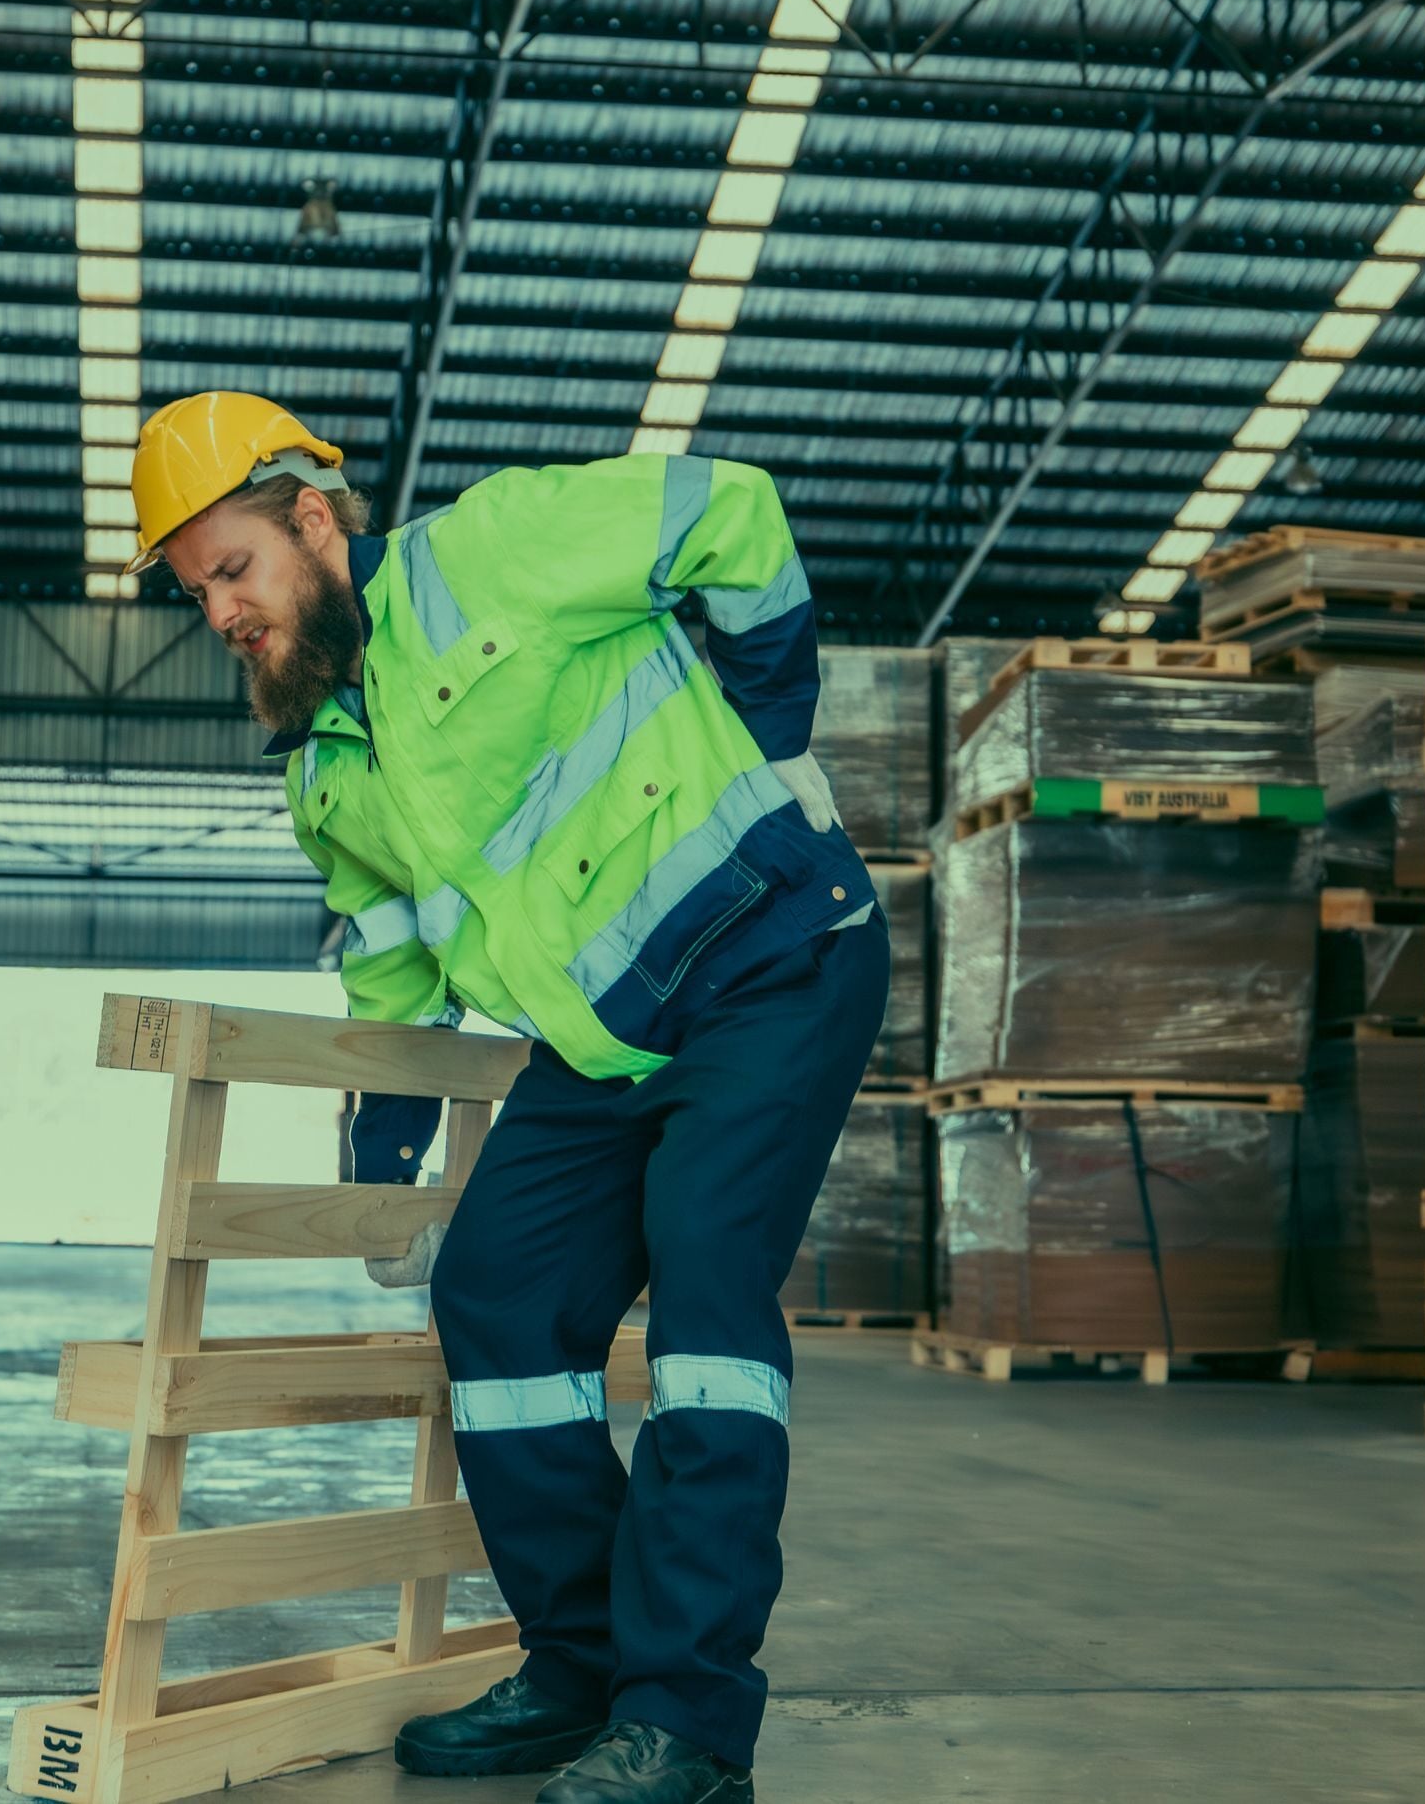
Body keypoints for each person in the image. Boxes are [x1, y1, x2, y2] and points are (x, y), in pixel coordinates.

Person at [130, 394, 884, 1804]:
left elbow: (736, 513)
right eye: (197, 595)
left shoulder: (495, 550)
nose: (222, 612)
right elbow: (392, 961)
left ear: (311, 519)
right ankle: (584, 1666)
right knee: (495, 1298)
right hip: (605, 1042)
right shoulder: (325, 771)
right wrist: (385, 1152)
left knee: (709, 1302)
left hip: (774, 957)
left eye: (233, 569)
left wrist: (772, 727)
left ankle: (690, 1725)